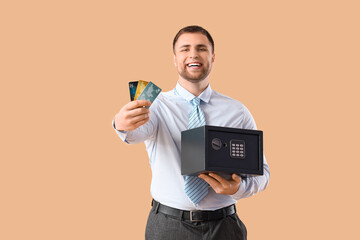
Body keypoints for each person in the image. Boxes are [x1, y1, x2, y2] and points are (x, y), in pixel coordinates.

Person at [113, 25, 270, 240]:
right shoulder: (156, 105)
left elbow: (262, 173)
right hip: (167, 226)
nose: (193, 54)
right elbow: (135, 134)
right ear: (175, 59)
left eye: (201, 48)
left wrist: (238, 188)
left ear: (213, 57)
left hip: (224, 226)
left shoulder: (237, 111)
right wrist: (121, 124)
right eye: (185, 49)